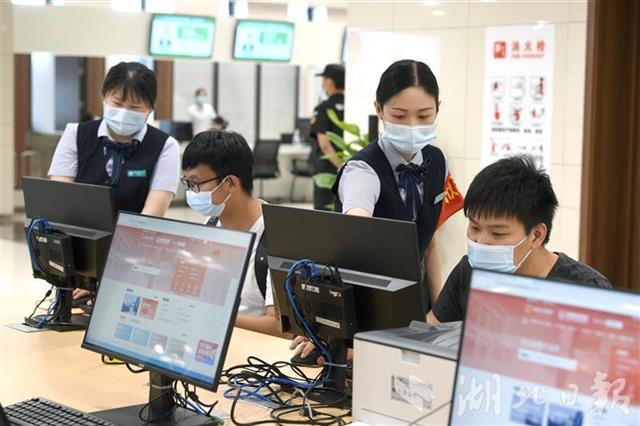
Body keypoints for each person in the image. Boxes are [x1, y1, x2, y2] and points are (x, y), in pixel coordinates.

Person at [291, 59, 464, 364]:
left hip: (416, 304)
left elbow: (430, 244)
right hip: (368, 310)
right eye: (400, 116)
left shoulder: (438, 162)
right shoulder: (363, 170)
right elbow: (358, 229)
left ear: (438, 109)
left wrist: (439, 315)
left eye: (424, 115)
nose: (413, 126)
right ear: (379, 109)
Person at [427, 155, 611, 325]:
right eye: (475, 228)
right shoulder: (468, 271)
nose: (481, 242)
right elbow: (429, 331)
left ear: (536, 235)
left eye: (498, 233)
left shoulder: (586, 290)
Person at [181, 130, 282, 337]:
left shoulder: (276, 239)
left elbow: (280, 328)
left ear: (230, 183)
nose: (191, 192)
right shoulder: (210, 226)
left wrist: (216, 316)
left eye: (196, 183)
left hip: (252, 349)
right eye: (187, 183)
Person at [49, 61, 179, 217]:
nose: (124, 112)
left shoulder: (165, 146)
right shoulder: (75, 134)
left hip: (135, 231)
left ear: (151, 108)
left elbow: (153, 213)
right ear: (103, 96)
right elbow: (62, 195)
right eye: (117, 103)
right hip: (77, 228)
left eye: (134, 107)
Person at [310, 64, 345, 211]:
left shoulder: (324, 108)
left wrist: (340, 167)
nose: (322, 83)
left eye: (324, 79)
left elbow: (324, 145)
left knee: (324, 212)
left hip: (328, 169)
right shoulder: (351, 106)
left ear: (330, 81)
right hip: (347, 162)